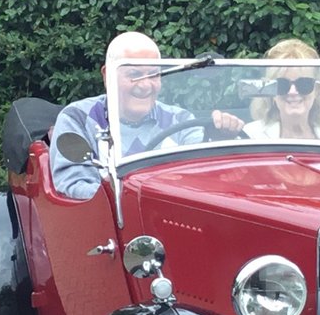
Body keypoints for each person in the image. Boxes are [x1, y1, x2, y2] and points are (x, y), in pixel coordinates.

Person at [50, 32, 243, 200]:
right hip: (104, 227)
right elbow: (74, 185)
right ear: (107, 76)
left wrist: (218, 142)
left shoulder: (180, 119)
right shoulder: (78, 118)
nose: (145, 85)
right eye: (134, 74)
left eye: (153, 75)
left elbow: (198, 177)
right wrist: (126, 195)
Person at [243, 39, 320, 143]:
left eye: (304, 84)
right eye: (283, 84)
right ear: (271, 92)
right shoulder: (250, 137)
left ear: (317, 90)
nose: (293, 92)